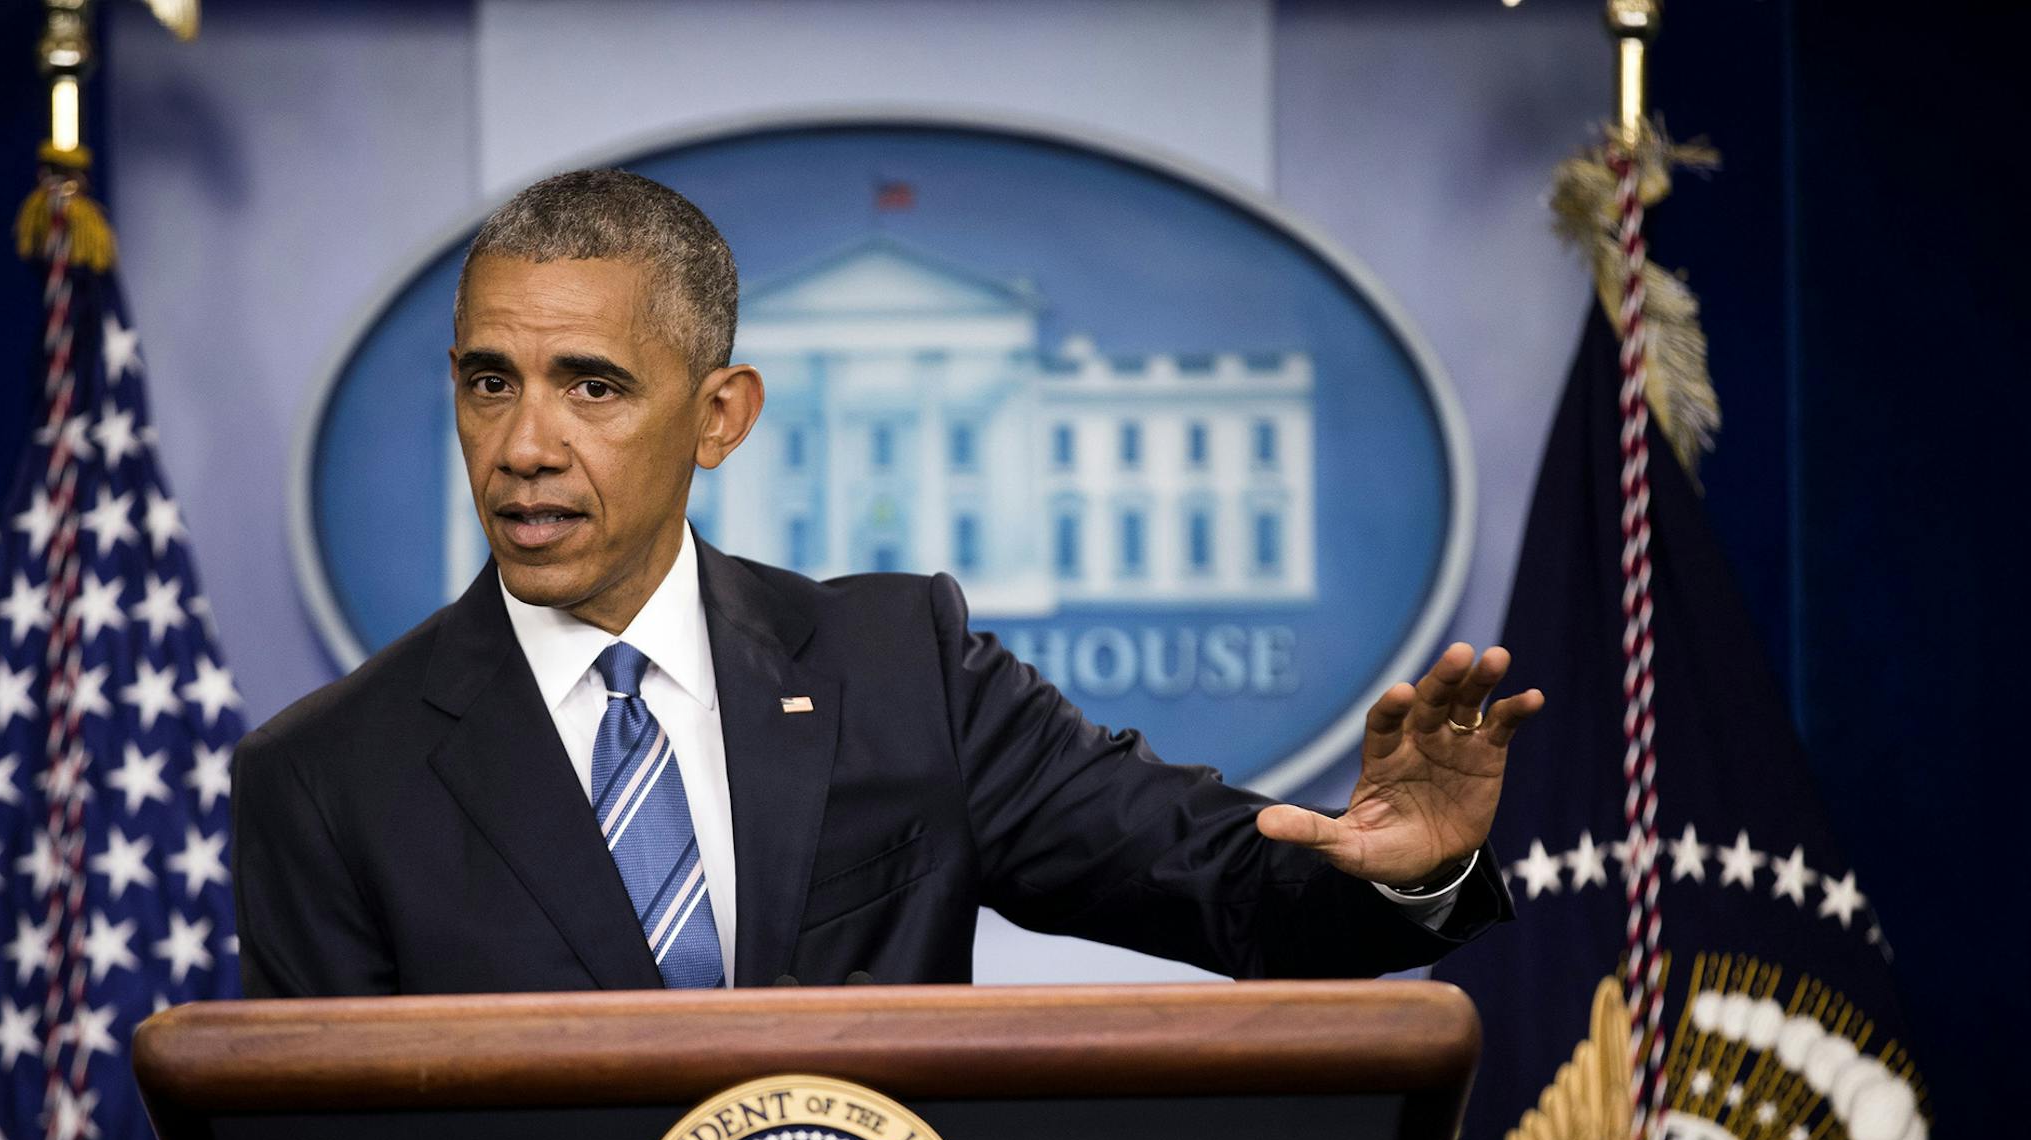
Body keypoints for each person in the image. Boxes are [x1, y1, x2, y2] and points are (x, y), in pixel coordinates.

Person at [231, 169, 1543, 997]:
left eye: (593, 386)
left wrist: (1402, 871)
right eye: (487, 383)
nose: (524, 445)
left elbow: (1206, 880)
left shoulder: (896, 667)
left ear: (720, 413)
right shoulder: (328, 778)